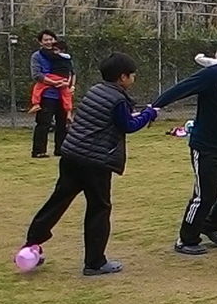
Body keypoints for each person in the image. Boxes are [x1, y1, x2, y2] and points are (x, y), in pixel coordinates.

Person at [19, 53, 158, 276]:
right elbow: (128, 125)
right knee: (99, 208)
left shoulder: (95, 90)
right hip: (95, 162)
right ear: (122, 77)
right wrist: (150, 113)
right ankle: (95, 262)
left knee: (58, 200)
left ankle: (32, 242)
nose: (133, 79)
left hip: (72, 155)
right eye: (132, 76)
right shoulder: (118, 99)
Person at [151, 38, 217, 256]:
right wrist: (155, 107)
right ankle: (186, 239)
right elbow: (181, 89)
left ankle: (210, 226)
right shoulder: (212, 75)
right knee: (205, 195)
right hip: (206, 146)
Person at [30, 30, 70, 158]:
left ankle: (61, 149)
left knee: (62, 123)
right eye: (46, 40)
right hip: (46, 94)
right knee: (44, 123)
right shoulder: (37, 56)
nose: (49, 42)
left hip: (62, 94)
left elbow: (70, 71)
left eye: (51, 39)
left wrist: (68, 84)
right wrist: (53, 82)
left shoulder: (61, 54)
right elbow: (36, 75)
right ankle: (39, 151)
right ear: (40, 42)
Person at [29, 40, 75, 117]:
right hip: (64, 78)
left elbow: (45, 54)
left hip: (54, 76)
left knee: (38, 87)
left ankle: (36, 103)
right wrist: (69, 83)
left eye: (56, 50)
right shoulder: (68, 59)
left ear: (62, 50)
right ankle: (69, 112)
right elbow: (71, 72)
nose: (53, 51)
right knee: (67, 95)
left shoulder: (56, 56)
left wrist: (42, 48)